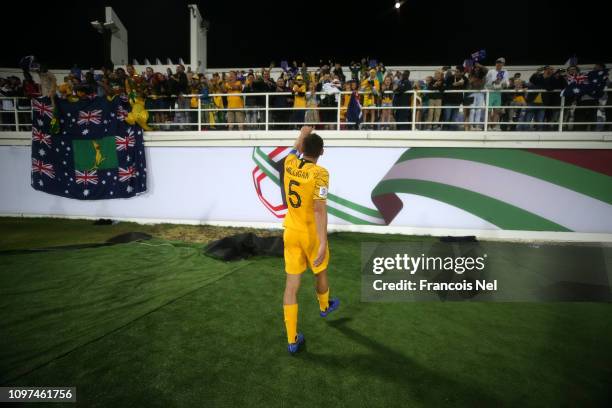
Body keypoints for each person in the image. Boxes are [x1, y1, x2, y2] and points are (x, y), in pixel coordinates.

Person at [282, 126, 339, 355]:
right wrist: (323, 241)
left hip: (290, 232)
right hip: (310, 235)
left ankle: (292, 339)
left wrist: (303, 133)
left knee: (291, 287)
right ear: (322, 152)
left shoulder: (289, 163)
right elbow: (318, 210)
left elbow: (297, 148)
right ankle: (324, 306)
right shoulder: (321, 173)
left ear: (302, 147)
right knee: (321, 272)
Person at [484, 57, 510, 130]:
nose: (498, 64)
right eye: (497, 63)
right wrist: (493, 82)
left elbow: (507, 82)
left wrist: (505, 84)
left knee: (497, 111)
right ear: (495, 64)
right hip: (490, 92)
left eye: (500, 63)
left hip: (498, 93)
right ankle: (488, 127)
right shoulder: (491, 71)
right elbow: (486, 82)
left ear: (503, 64)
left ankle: (494, 126)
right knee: (488, 111)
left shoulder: (505, 72)